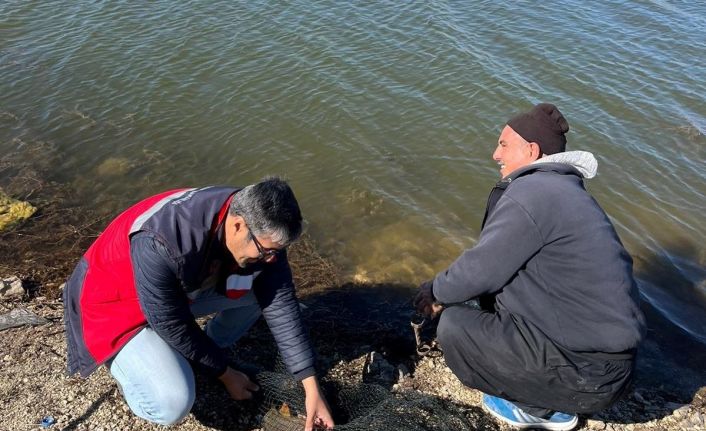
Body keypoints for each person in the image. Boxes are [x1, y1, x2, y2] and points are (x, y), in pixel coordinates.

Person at [414, 103, 645, 430]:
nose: (495, 153)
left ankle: (538, 408)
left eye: (504, 144)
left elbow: (481, 268)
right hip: (611, 369)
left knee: (454, 326)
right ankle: (549, 392)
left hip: (587, 377)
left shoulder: (533, 193)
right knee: (495, 297)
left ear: (532, 150)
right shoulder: (566, 191)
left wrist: (435, 290)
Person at [63, 178, 334, 430]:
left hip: (171, 294)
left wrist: (311, 387)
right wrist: (226, 374)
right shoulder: (164, 242)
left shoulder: (258, 222)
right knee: (172, 402)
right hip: (111, 305)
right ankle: (137, 377)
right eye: (267, 251)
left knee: (263, 291)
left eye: (277, 251)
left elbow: (280, 299)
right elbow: (172, 323)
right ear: (238, 226)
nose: (271, 258)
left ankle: (209, 346)